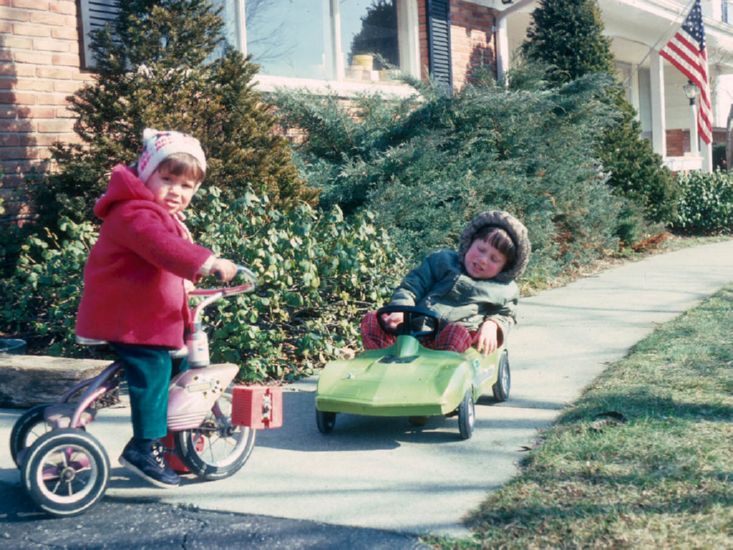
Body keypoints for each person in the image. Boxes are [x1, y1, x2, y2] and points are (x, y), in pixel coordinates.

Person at [76, 128, 238, 488]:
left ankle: (167, 437)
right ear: (146, 175)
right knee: (153, 368)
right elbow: (161, 247)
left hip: (141, 317)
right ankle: (142, 446)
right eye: (167, 180)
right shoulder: (135, 213)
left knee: (174, 364)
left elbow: (161, 264)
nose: (177, 192)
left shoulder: (149, 212)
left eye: (187, 186)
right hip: (127, 320)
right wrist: (208, 262)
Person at [361, 210, 530, 354]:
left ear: (504, 267)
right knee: (372, 319)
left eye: (494, 259)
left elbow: (506, 314)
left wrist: (493, 324)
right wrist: (401, 310)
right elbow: (412, 285)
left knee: (456, 333)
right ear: (470, 243)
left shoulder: (504, 289)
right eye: (481, 249)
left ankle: (441, 375)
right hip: (415, 330)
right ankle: (384, 358)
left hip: (454, 340)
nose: (483, 260)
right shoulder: (442, 261)